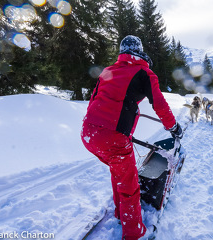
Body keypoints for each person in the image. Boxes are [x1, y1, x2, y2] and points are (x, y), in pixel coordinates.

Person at [81, 35, 183, 240]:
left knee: (117, 169)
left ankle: (120, 212)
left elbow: (94, 100)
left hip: (88, 133)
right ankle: (134, 232)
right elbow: (159, 104)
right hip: (112, 137)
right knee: (129, 184)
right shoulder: (144, 73)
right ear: (140, 50)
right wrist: (174, 127)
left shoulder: (108, 71)